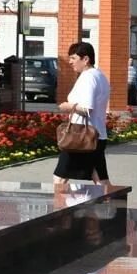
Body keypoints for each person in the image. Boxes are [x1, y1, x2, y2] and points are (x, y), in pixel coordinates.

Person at [53, 41, 113, 192]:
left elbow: (87, 109)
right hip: (96, 136)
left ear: (85, 59)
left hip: (81, 137)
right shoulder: (100, 75)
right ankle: (115, 209)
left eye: (73, 58)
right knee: (100, 178)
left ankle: (59, 212)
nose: (70, 62)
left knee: (59, 178)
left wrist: (67, 106)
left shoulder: (88, 77)